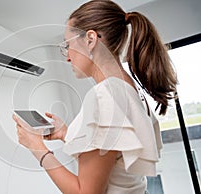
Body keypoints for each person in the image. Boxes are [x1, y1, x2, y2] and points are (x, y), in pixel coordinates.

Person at [13, 0, 177, 193]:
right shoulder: (129, 89)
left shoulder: (104, 96)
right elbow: (115, 156)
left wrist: (37, 148)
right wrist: (66, 134)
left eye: (67, 45)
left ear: (90, 39)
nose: (66, 56)